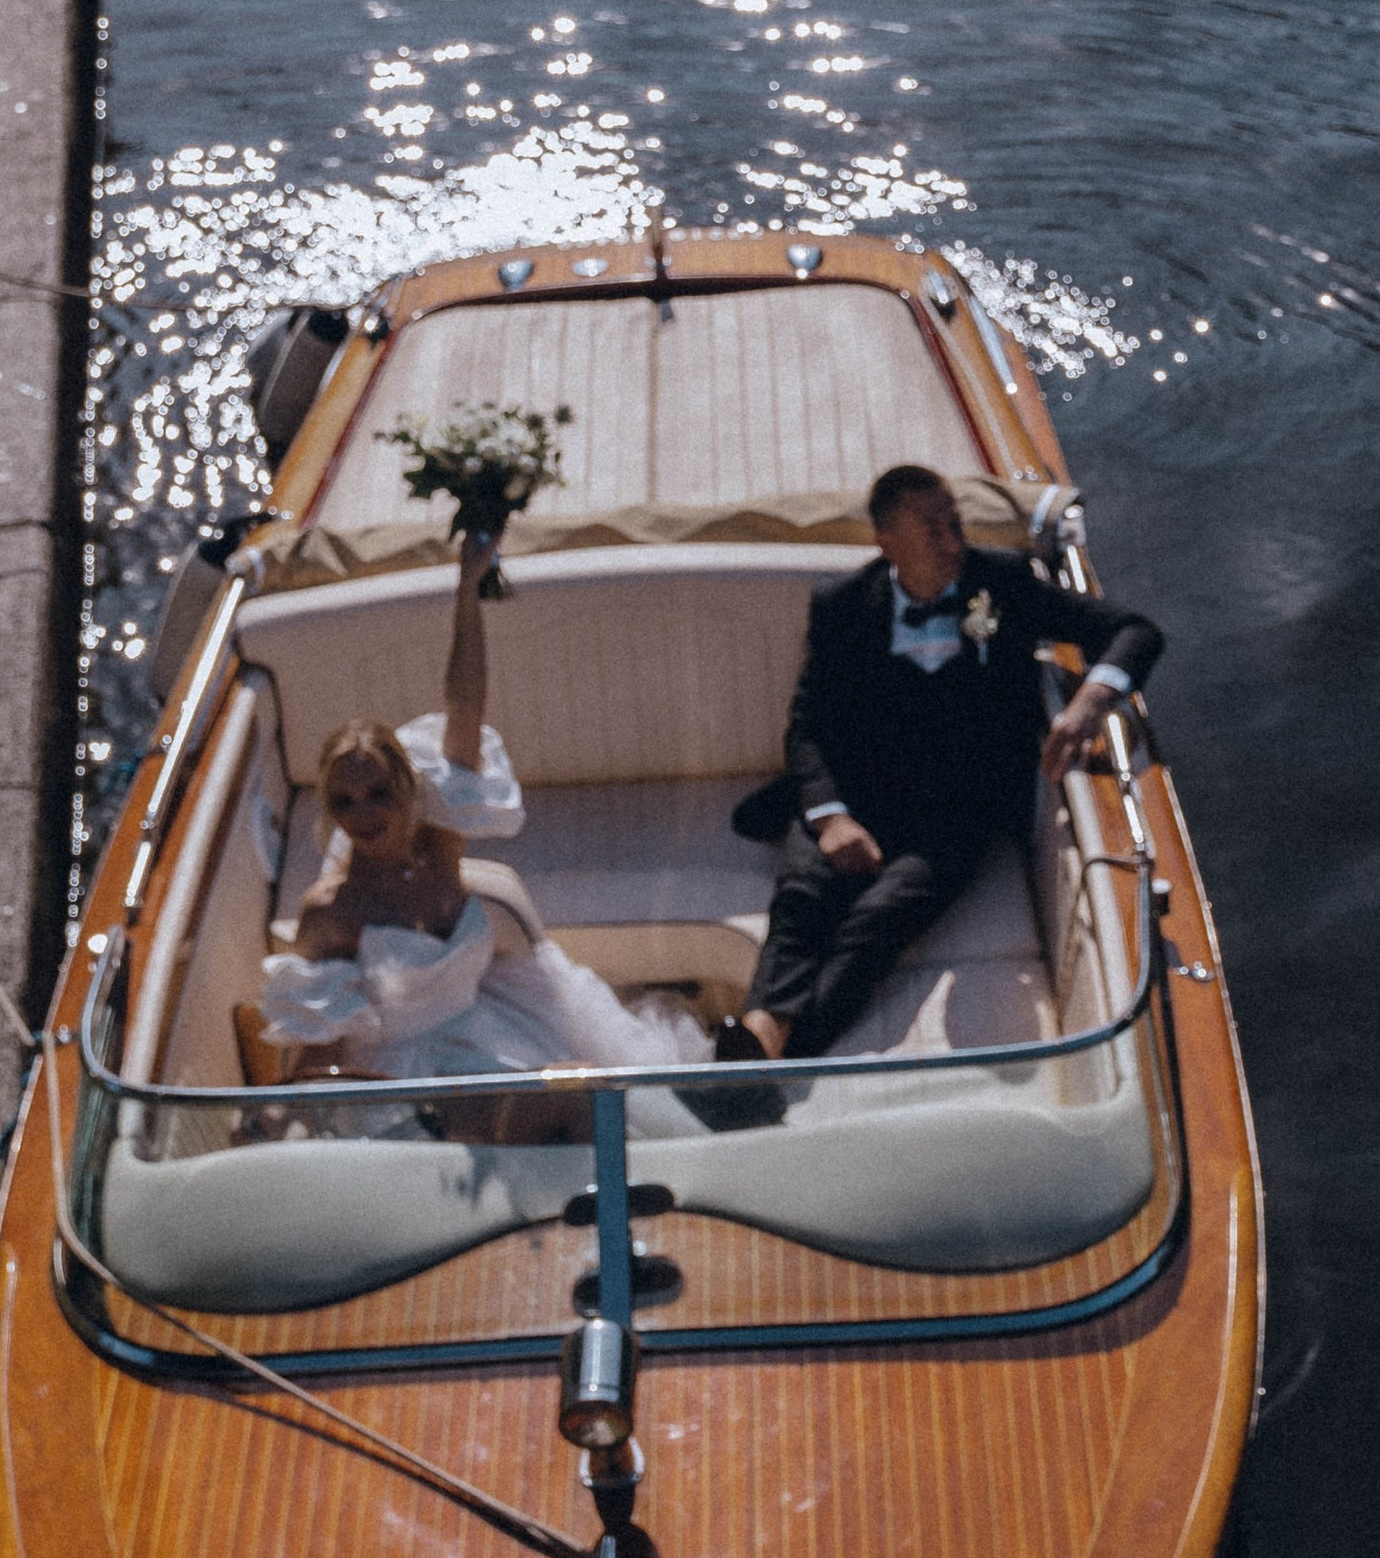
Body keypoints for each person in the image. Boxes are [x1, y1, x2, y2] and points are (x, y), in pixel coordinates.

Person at [722, 461, 1163, 1066]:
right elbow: (809, 726)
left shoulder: (1002, 583)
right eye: (932, 528)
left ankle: (761, 1060)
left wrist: (1090, 701)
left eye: (954, 521)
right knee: (802, 899)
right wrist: (830, 818)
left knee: (876, 923)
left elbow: (1136, 631)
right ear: (887, 543)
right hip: (856, 793)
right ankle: (759, 1041)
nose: (953, 540)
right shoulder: (842, 605)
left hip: (958, 811)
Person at [256, 532, 712, 1100]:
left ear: (407, 786)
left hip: (495, 1032)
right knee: (557, 1111)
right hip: (409, 1079)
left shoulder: (438, 844)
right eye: (344, 802)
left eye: (377, 793)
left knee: (599, 1095)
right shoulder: (330, 908)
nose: (363, 815)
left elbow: (466, 705)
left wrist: (467, 591)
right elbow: (319, 1051)